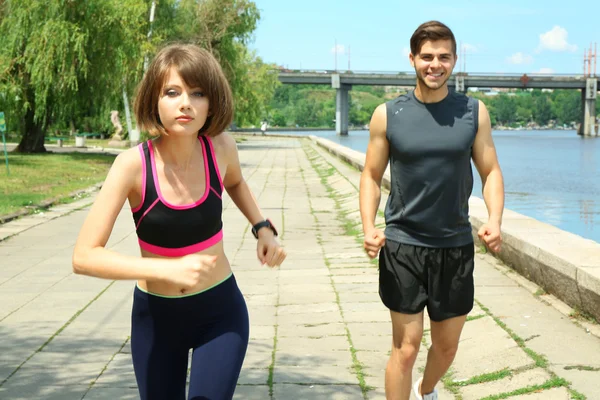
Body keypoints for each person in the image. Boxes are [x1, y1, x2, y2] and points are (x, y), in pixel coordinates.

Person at [72, 43, 286, 400]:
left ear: (211, 102)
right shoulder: (131, 166)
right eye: (172, 92)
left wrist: (262, 227)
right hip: (156, 319)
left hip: (221, 314)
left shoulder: (220, 148)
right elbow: (84, 256)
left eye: (197, 93)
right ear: (154, 100)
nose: (185, 103)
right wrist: (165, 271)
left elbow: (234, 182)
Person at [359, 21, 504, 400]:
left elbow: (490, 171)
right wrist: (369, 226)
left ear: (454, 60)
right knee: (404, 349)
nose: (434, 65)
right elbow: (371, 176)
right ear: (413, 59)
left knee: (446, 347)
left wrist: (494, 220)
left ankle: (426, 390)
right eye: (427, 57)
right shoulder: (387, 114)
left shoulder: (474, 112)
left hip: (454, 246)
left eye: (443, 57)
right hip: (403, 245)